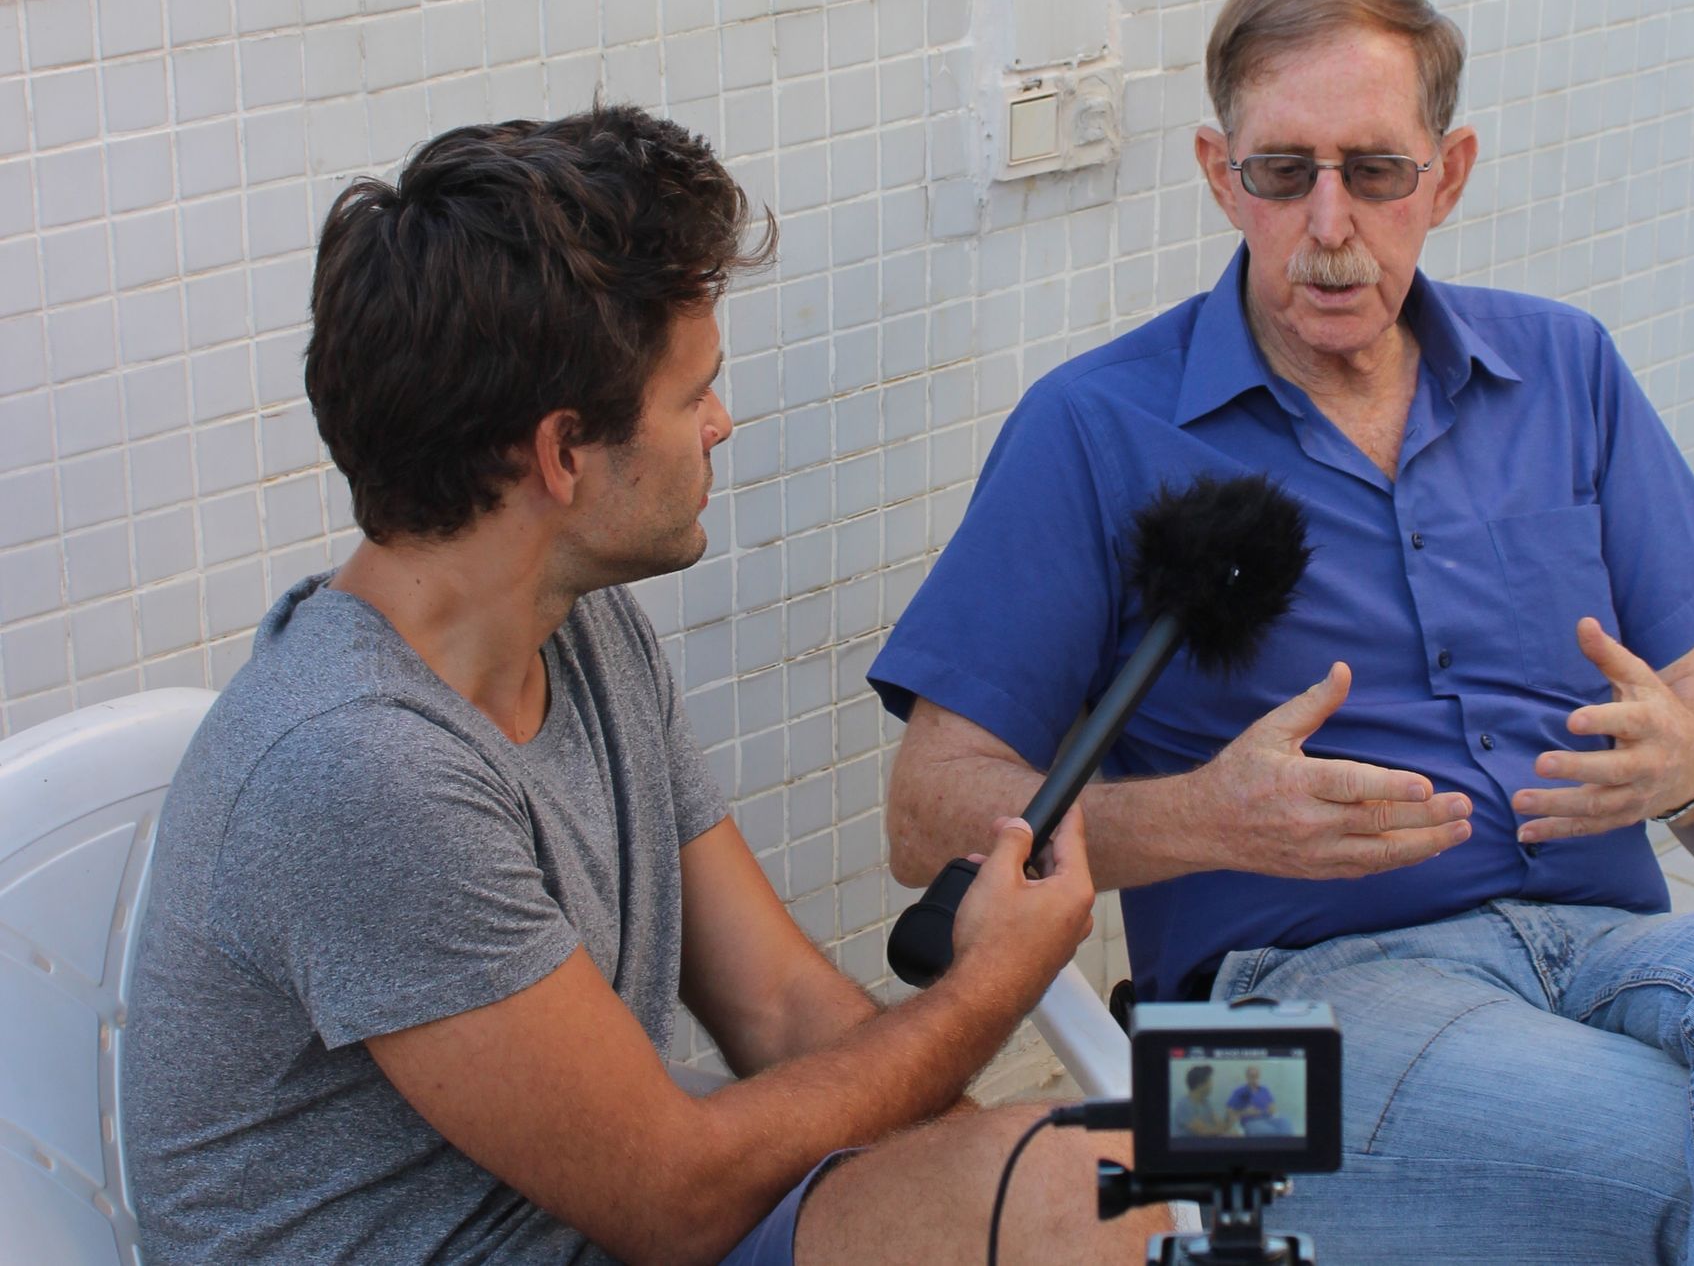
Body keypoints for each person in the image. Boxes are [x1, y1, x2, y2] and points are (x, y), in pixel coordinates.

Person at [871, 0, 1694, 1263]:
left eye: (1376, 171)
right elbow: (929, 818)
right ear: (1222, 176)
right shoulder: (1095, 426)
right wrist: (1201, 815)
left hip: (1597, 962)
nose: (1330, 224)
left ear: (1449, 175)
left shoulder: (1566, 368)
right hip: (1249, 1050)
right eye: (1284, 173)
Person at [122, 105, 1168, 1266]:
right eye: (692, 395)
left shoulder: (574, 623)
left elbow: (774, 1005)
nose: (722, 424)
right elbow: (674, 1201)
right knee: (1083, 1193)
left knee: (1091, 1188)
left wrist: (992, 1181)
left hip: (601, 1227)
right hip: (586, 1233)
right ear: (564, 454)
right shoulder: (363, 771)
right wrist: (988, 990)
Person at [1170, 1066, 1236, 1138]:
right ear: (1200, 1085)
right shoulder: (1184, 1105)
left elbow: (1219, 1125)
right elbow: (1203, 1131)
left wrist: (1229, 1118)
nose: (1212, 1085)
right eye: (1209, 1081)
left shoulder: (1206, 1103)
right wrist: (1225, 1130)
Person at [1224, 1067, 1289, 1138]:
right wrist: (1245, 1112)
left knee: (1285, 1122)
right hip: (1251, 1122)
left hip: (1268, 1119)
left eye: (1256, 1076)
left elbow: (1273, 1108)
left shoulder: (1265, 1090)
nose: (1254, 1079)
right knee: (1270, 1132)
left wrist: (1272, 1110)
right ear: (1247, 1077)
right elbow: (1229, 1111)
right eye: (1252, 1076)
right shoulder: (1240, 1091)